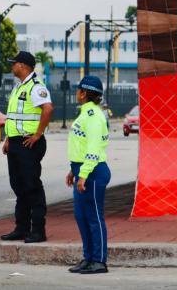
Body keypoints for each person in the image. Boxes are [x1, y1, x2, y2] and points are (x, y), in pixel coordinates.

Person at [0, 51, 53, 243]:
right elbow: (14, 117)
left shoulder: (36, 87)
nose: (11, 66)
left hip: (29, 143)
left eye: (13, 63)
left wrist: (38, 134)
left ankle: (38, 230)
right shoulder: (18, 87)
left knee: (32, 187)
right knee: (19, 187)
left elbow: (48, 108)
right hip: (15, 142)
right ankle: (21, 228)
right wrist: (8, 138)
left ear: (22, 65)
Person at [66, 75, 111, 274]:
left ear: (84, 93)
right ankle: (88, 257)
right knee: (81, 216)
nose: (76, 93)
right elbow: (81, 146)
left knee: (94, 217)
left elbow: (93, 149)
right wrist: (73, 170)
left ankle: (99, 260)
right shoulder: (86, 114)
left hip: (92, 172)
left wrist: (83, 174)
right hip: (83, 170)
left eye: (78, 90)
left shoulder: (93, 116)